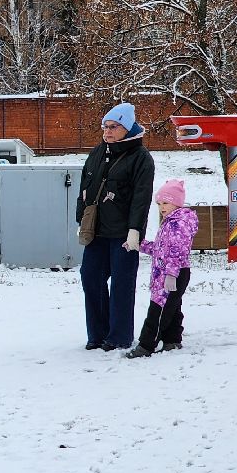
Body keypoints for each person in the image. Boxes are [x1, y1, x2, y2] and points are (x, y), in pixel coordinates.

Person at [76, 101, 155, 351]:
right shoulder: (97, 152)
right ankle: (97, 334)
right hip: (97, 231)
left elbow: (141, 198)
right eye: (105, 127)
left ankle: (119, 336)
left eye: (113, 127)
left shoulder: (141, 158)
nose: (107, 132)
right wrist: (81, 220)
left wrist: (135, 231)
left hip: (123, 234)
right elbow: (84, 189)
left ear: (127, 128)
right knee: (90, 278)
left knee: (122, 285)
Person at [128, 179, 198, 357]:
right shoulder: (169, 222)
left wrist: (171, 274)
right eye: (159, 203)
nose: (162, 207)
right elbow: (160, 249)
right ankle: (172, 340)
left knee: (158, 310)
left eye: (166, 203)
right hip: (166, 273)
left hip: (173, 273)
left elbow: (177, 251)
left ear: (177, 202)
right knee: (172, 307)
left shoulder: (179, 224)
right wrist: (139, 245)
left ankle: (146, 345)